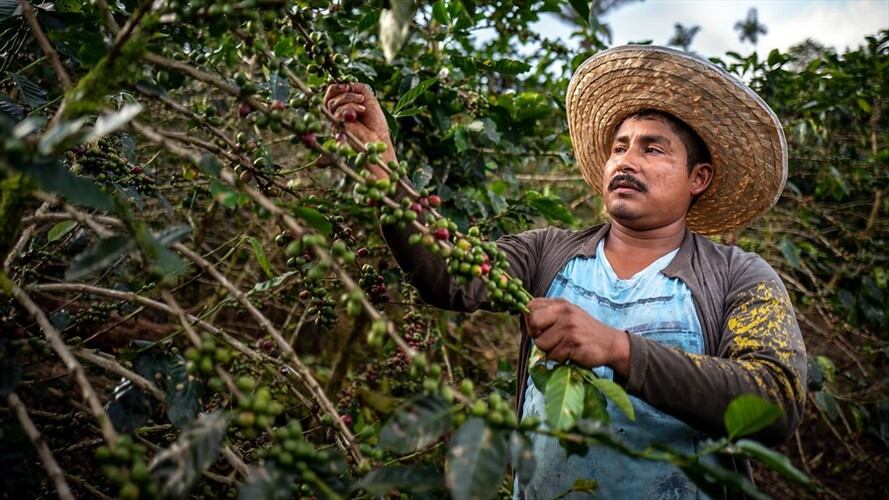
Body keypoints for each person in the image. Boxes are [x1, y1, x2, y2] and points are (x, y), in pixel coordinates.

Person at [325, 45, 806, 499]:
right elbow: (449, 275)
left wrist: (618, 349)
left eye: (652, 150)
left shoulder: (738, 276)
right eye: (619, 147)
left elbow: (775, 399)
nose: (625, 161)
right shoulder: (547, 252)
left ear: (698, 178)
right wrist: (383, 168)